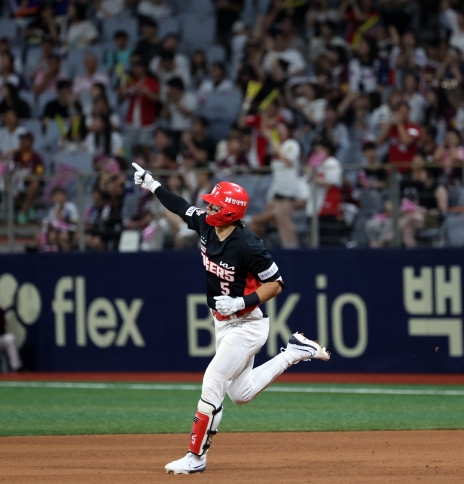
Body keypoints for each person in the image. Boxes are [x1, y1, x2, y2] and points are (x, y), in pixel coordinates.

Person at [132, 163, 331, 475]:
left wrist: (242, 300)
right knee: (240, 394)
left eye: (215, 203)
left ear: (229, 211)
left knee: (212, 381)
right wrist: (153, 185)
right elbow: (181, 206)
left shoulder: (248, 245)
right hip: (222, 323)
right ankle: (295, 351)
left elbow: (276, 284)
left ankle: (195, 457)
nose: (208, 206)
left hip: (248, 325)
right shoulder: (206, 226)